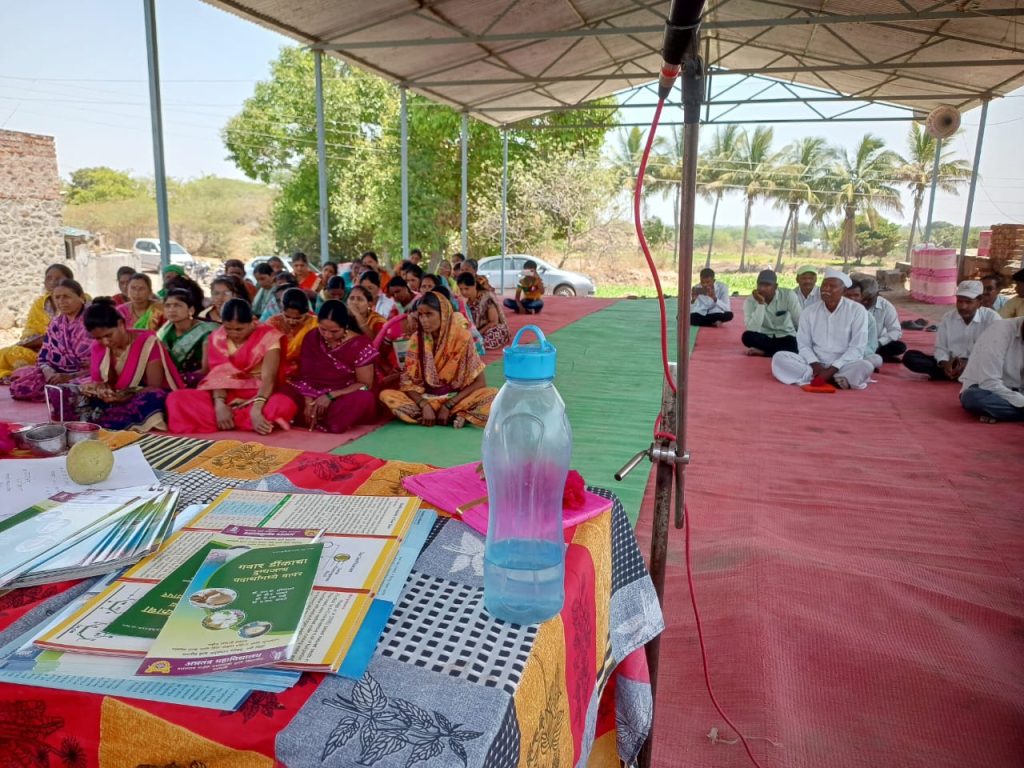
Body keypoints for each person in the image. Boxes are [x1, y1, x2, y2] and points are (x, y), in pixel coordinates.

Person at [166, 299, 297, 434]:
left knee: (283, 404)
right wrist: (220, 405)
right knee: (176, 399)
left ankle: (233, 420)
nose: (234, 334)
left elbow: (268, 379)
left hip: (258, 394)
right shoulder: (217, 337)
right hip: (226, 393)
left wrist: (256, 410)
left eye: (239, 329)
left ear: (252, 321)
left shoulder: (269, 336)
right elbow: (218, 376)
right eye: (228, 328)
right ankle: (242, 420)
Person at [52, 298, 183, 432]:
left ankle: (103, 419)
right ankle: (104, 418)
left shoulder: (148, 343)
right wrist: (102, 389)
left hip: (140, 393)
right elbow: (101, 381)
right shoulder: (98, 347)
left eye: (109, 335)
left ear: (121, 324)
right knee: (64, 393)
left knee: (153, 398)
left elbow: (154, 386)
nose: (105, 342)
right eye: (98, 338)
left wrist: (127, 393)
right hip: (114, 396)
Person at [380, 292, 497, 428]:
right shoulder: (417, 339)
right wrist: (424, 405)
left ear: (444, 314)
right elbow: (407, 382)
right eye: (420, 315)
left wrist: (448, 405)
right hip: (427, 398)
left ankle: (444, 414)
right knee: (386, 395)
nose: (424, 320)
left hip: (456, 398)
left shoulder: (462, 338)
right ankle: (457, 415)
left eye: (429, 314)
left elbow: (480, 382)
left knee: (493, 395)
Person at [772, 268, 874, 390]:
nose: (826, 289)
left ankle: (819, 377)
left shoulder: (857, 311)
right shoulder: (809, 312)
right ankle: (836, 379)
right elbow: (804, 345)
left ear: (843, 291)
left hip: (844, 364)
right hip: (814, 363)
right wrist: (817, 366)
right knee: (779, 357)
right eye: (824, 285)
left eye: (832, 286)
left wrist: (832, 369)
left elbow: (857, 347)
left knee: (865, 366)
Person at [285, 300, 379, 433]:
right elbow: (305, 375)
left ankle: (313, 419)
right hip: (311, 390)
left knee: (364, 398)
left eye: (334, 331)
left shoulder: (360, 344)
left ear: (345, 326)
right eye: (323, 329)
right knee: (283, 391)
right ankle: (310, 414)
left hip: (343, 394)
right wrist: (308, 401)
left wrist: (331, 396)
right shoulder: (312, 337)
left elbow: (365, 385)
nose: (327, 335)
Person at [10, 279, 91, 402]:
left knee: (87, 386)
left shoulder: (93, 321)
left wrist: (70, 376)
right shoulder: (56, 323)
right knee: (22, 383)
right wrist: (48, 371)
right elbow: (44, 356)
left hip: (86, 374)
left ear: (81, 297)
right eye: (57, 297)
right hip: (57, 374)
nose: (61, 301)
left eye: (66, 297)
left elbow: (105, 363)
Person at [902, 281, 1000, 382]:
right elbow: (941, 347)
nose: (963, 307)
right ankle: (955, 374)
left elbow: (996, 351)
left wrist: (968, 363)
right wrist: (944, 363)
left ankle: (956, 375)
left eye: (968, 302)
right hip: (952, 361)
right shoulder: (948, 318)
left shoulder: (992, 319)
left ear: (979, 302)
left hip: (978, 364)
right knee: (910, 357)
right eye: (959, 301)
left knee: (994, 367)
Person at [0, 263, 74, 381]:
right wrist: (40, 342)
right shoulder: (40, 304)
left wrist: (50, 339)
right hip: (41, 352)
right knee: (7, 353)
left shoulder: (80, 299)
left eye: (58, 278)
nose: (53, 282)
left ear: (70, 281)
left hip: (70, 353)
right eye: (49, 278)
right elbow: (30, 333)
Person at [958, 316, 1024, 422]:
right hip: (987, 390)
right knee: (973, 398)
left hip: (1018, 394)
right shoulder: (1000, 330)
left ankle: (998, 413)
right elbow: (989, 383)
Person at [157, 287, 218, 387]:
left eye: (177, 305)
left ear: (191, 310)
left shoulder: (206, 332)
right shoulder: (164, 332)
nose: (171, 310)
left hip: (198, 383)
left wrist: (178, 380)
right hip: (169, 381)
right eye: (168, 306)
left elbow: (205, 370)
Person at [741, 269, 801, 357]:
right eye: (760, 285)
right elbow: (752, 329)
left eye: (767, 285)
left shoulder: (788, 295)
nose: (762, 288)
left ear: (776, 287)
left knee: (797, 344)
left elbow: (799, 320)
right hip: (765, 337)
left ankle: (765, 352)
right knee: (747, 337)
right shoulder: (750, 301)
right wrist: (761, 303)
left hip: (786, 335)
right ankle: (779, 351)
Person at [266, 287, 318, 380]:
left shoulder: (315, 324)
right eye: (287, 316)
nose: (292, 322)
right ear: (281, 310)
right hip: (277, 370)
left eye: (298, 318)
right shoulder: (273, 323)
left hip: (307, 372)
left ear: (306, 313)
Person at [457, 272, 511, 350]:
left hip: (491, 329)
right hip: (476, 330)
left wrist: (478, 333)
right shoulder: (465, 301)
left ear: (474, 285)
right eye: (461, 289)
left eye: (466, 288)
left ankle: (476, 344)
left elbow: (494, 322)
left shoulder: (486, 297)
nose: (463, 292)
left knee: (491, 337)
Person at [856, 276, 905, 361]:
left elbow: (895, 331)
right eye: (863, 299)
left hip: (876, 344)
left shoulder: (886, 306)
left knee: (900, 347)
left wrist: (879, 343)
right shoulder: (853, 304)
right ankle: (874, 356)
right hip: (855, 342)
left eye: (869, 299)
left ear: (877, 294)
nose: (865, 302)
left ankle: (867, 355)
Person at [844, 281, 882, 371]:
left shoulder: (868, 318)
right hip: (834, 353)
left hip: (858, 354)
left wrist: (854, 354)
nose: (852, 299)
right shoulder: (833, 313)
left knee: (877, 360)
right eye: (848, 295)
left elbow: (871, 345)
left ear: (861, 297)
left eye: (856, 295)